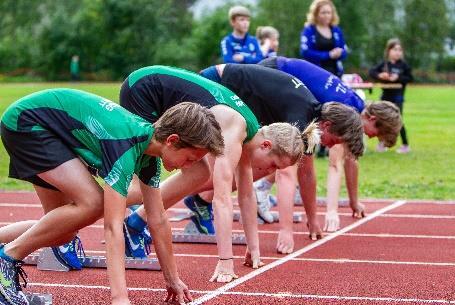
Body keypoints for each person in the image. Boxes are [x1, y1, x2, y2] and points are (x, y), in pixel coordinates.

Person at [0, 88, 226, 305]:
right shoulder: (124, 146)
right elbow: (112, 227)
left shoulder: (149, 156)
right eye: (190, 159)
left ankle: (6, 253)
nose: (188, 166)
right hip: (28, 123)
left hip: (50, 130)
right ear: (172, 140)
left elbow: (158, 218)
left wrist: (172, 278)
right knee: (95, 204)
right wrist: (120, 299)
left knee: (61, 233)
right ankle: (6, 259)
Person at [117, 65, 315, 283]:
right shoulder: (235, 132)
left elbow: (247, 196)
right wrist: (225, 261)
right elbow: (221, 200)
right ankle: (78, 218)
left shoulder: (249, 135)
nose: (270, 173)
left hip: (156, 89)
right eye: (274, 166)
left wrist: (254, 248)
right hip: (144, 89)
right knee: (140, 184)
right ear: (266, 146)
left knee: (200, 173)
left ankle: (135, 222)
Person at [191, 63, 363, 258]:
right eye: (336, 141)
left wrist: (313, 219)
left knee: (252, 165)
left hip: (229, 90)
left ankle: (197, 198)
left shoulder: (309, 119)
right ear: (328, 125)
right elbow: (287, 175)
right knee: (227, 167)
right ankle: (180, 199)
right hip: (216, 84)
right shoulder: (301, 120)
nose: (332, 147)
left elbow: (306, 173)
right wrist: (286, 230)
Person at [256, 57, 402, 235]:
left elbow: (350, 159)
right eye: (376, 134)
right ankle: (255, 190)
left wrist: (353, 201)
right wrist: (330, 211)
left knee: (295, 150)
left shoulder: (356, 104)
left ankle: (260, 189)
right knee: (289, 152)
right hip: (274, 74)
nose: (371, 138)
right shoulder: (348, 111)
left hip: (278, 71)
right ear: (372, 119)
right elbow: (334, 164)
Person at [301, 0, 348, 158]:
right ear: (316, 14)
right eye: (323, 12)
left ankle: (328, 143)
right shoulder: (309, 30)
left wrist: (339, 53)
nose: (326, 15)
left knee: (333, 110)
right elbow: (305, 52)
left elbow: (345, 50)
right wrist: (327, 55)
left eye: (329, 12)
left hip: (335, 75)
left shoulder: (336, 30)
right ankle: (312, 143)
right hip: (316, 76)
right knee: (316, 109)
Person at [370, 38, 413, 154]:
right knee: (381, 120)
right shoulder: (384, 64)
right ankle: (382, 143)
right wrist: (380, 75)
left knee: (398, 120)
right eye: (395, 49)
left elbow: (410, 78)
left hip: (398, 97)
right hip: (385, 97)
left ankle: (405, 145)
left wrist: (398, 78)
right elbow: (372, 72)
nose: (398, 52)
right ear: (388, 51)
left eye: (400, 50)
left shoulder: (403, 66)